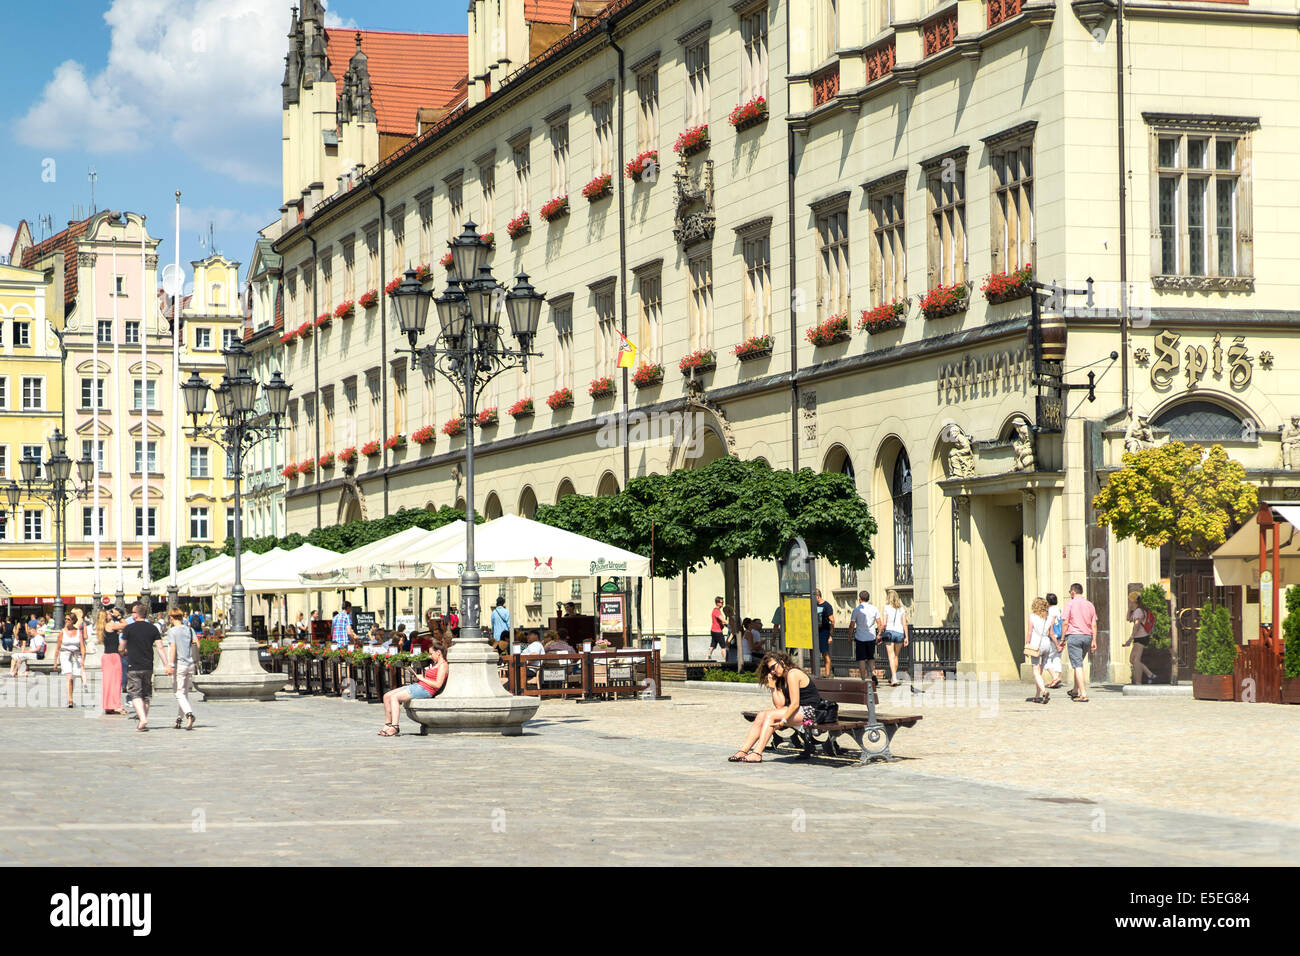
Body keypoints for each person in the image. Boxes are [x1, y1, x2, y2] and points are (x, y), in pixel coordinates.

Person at [729, 651, 822, 763]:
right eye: (770, 669)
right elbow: (780, 705)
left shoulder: (793, 673)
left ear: (782, 662)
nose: (772, 671)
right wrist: (773, 687)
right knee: (761, 715)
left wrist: (783, 721)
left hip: (811, 711)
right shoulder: (782, 677)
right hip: (797, 710)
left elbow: (795, 703)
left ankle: (757, 753)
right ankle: (743, 750)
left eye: (773, 667)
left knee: (770, 716)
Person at [379, 640, 448, 737]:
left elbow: (438, 684)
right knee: (386, 696)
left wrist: (422, 678)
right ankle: (387, 724)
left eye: (431, 654)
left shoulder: (443, 665)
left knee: (395, 697)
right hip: (419, 686)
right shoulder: (435, 664)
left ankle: (395, 726)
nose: (430, 656)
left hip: (426, 690)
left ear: (439, 653)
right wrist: (417, 678)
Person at [122, 603, 168, 731]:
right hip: (148, 665)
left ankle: (142, 719)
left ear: (136, 615)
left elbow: (121, 647)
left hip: (133, 665)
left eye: (132, 612)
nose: (131, 614)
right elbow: (160, 648)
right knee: (146, 695)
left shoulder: (128, 629)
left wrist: (124, 652)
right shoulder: (153, 628)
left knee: (135, 694)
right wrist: (166, 665)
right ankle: (143, 719)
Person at [1062, 583, 1098, 702]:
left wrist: (1062, 639)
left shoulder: (1070, 604)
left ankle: (1083, 694)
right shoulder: (1089, 605)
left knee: (1077, 665)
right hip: (1087, 637)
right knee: (1079, 663)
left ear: (1073, 592)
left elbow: (1065, 622)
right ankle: (1074, 690)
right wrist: (1094, 640)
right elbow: (1094, 624)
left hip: (1074, 636)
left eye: (1069, 592)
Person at [164, 609, 199, 730]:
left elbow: (173, 648)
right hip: (190, 664)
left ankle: (189, 714)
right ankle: (179, 719)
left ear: (172, 618)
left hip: (180, 665)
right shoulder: (190, 629)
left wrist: (170, 664)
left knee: (178, 693)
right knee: (184, 693)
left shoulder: (172, 631)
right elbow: (197, 644)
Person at [1122, 590, 1156, 685]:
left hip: (1141, 637)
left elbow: (1136, 625)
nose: (1129, 602)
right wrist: (1129, 608)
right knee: (1132, 660)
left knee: (1136, 660)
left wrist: (1130, 638)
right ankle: (1150, 674)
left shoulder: (1138, 611)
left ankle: (1138, 682)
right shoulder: (1138, 610)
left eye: (1129, 601)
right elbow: (1128, 619)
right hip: (1140, 637)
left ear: (1134, 601)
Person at [54, 612, 87, 709]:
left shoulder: (78, 632)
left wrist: (83, 660)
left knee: (73, 678)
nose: (66, 621)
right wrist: (55, 662)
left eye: (68, 619)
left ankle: (71, 696)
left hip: (76, 656)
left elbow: (82, 647)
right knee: (69, 676)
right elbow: (57, 648)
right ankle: (70, 700)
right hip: (65, 655)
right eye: (66, 619)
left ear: (73, 621)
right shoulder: (62, 632)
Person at [849, 590, 881, 684]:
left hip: (860, 638)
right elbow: (879, 623)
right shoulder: (874, 609)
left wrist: (849, 637)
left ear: (859, 598)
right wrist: (879, 634)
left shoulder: (856, 610)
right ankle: (873, 674)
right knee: (871, 657)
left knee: (861, 659)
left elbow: (852, 625)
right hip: (871, 637)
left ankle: (863, 679)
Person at [1025, 596, 1052, 704]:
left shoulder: (1032, 616)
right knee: (1039, 672)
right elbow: (1051, 632)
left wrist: (1027, 644)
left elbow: (1030, 632)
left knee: (1035, 672)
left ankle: (1044, 691)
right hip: (1046, 644)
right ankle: (1037, 695)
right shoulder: (1047, 617)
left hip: (1036, 645)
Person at [880, 590, 910, 686]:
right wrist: (906, 637)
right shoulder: (901, 609)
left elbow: (884, 623)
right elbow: (904, 623)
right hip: (900, 633)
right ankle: (893, 677)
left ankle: (894, 678)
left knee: (891, 656)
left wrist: (880, 633)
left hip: (889, 632)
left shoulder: (886, 608)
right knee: (896, 655)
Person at [98, 607, 124, 714]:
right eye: (109, 614)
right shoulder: (110, 625)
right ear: (106, 616)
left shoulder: (102, 627)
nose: (111, 615)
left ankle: (108, 705)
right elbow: (126, 625)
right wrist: (119, 616)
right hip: (114, 656)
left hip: (106, 656)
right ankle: (116, 705)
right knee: (116, 682)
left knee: (108, 683)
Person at [1043, 593, 1064, 689]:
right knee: (1057, 658)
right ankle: (1057, 678)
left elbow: (1050, 627)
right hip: (1060, 637)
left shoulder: (1050, 611)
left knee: (1045, 658)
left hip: (1053, 638)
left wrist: (1055, 642)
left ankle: (1055, 678)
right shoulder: (1059, 610)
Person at [815, 589, 834, 678]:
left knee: (825, 653)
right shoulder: (813, 605)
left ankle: (827, 674)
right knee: (814, 652)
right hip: (815, 632)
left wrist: (830, 635)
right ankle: (815, 673)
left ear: (817, 596)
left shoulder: (827, 606)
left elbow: (832, 621)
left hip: (824, 632)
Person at [709, 596, 727, 662]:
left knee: (713, 645)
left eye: (723, 602)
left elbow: (721, 622)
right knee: (723, 646)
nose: (723, 604)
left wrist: (724, 624)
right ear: (717, 603)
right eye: (721, 602)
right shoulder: (716, 611)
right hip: (717, 631)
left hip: (713, 630)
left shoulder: (715, 610)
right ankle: (726, 660)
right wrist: (730, 624)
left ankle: (707, 657)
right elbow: (723, 620)